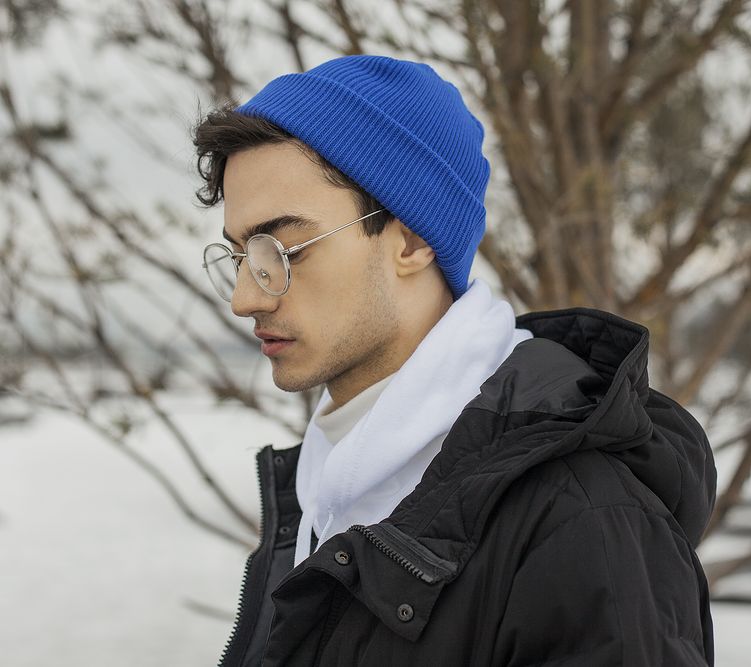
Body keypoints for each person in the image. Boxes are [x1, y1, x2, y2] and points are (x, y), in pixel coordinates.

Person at [194, 54, 717, 667]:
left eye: (282, 249)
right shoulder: (323, 489)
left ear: (413, 239)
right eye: (240, 256)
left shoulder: (583, 522)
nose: (245, 297)